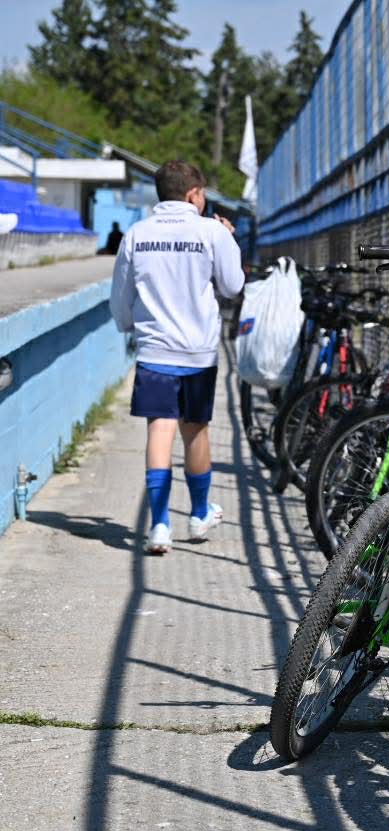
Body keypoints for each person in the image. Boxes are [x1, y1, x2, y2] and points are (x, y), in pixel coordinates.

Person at [109, 161, 244, 554]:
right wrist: (228, 240)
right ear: (193, 194)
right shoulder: (211, 232)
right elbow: (233, 286)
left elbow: (120, 297)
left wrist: (127, 326)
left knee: (159, 431)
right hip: (197, 352)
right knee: (195, 432)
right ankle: (199, 514)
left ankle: (159, 525)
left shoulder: (137, 234)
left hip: (155, 350)